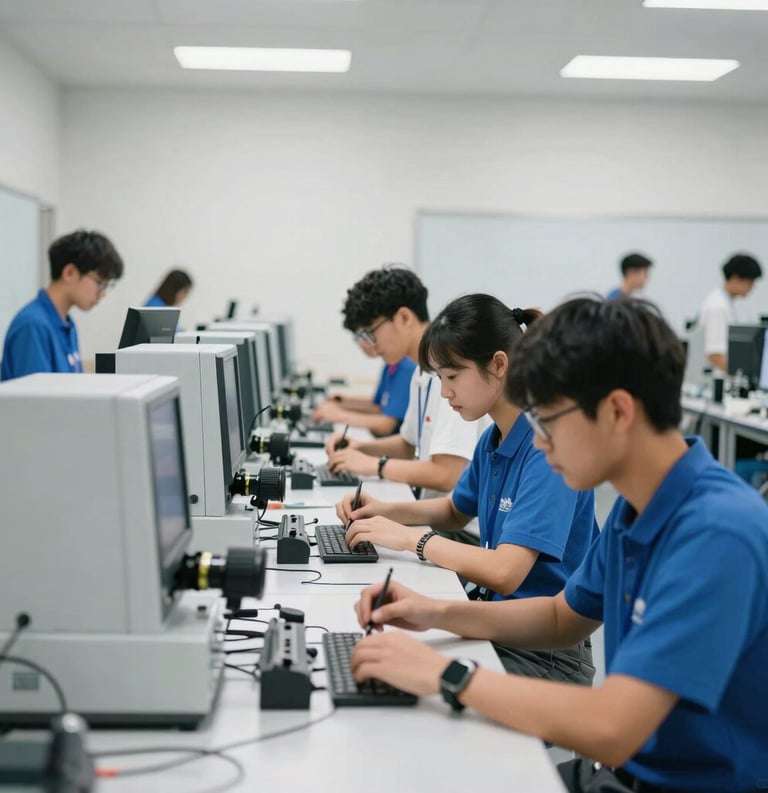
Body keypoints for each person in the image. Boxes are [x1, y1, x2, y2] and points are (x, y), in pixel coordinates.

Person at [351, 296, 768, 793]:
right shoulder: (635, 512)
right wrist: (433, 612)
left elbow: (613, 729)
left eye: (548, 421)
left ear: (616, 411)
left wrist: (448, 675)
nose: (540, 442)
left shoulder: (717, 533)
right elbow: (558, 619)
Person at [338, 293, 598, 683]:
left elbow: (507, 572)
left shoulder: (546, 449)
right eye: (440, 379)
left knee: (398, 673)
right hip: (499, 624)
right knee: (384, 653)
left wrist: (412, 540)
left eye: (452, 377)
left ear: (498, 364)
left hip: (547, 657)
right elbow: (456, 510)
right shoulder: (495, 438)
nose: (445, 392)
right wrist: (385, 512)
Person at [325, 266, 488, 499]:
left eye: (371, 333)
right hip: (428, 511)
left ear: (404, 317)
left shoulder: (451, 373)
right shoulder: (421, 372)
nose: (370, 345)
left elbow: (445, 474)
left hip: (455, 527)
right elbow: (408, 444)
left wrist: (374, 465)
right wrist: (358, 448)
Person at [1, 229, 124, 382]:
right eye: (99, 283)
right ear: (70, 273)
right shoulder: (33, 326)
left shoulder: (66, 324)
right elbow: (34, 402)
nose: (102, 293)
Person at [311, 342, 416, 436]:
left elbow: (386, 425)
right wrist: (343, 403)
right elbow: (380, 405)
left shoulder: (407, 367)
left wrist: (338, 415)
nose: (362, 343)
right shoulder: (392, 364)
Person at [699, 253, 762, 372]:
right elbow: (715, 354)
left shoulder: (729, 303)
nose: (752, 287)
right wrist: (743, 375)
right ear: (735, 278)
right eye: (750, 282)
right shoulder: (717, 306)